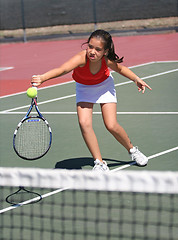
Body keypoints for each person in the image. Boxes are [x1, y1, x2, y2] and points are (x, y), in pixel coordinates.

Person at [31, 29, 152, 171]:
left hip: (104, 86)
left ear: (105, 51)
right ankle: (99, 163)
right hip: (84, 88)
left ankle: (132, 150)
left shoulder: (106, 60)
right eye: (90, 46)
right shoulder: (81, 58)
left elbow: (121, 69)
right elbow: (63, 69)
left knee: (111, 125)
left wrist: (136, 79)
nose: (92, 51)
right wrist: (43, 78)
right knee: (84, 123)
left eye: (97, 49)